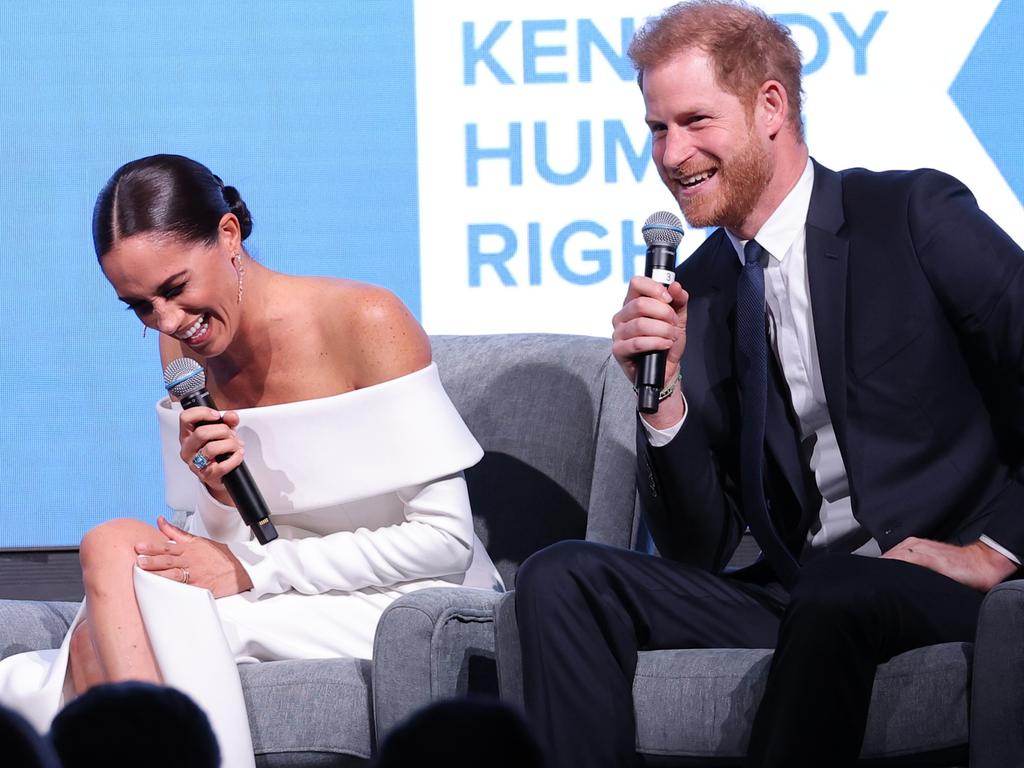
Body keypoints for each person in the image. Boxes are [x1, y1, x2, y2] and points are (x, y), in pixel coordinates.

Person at [514, 2, 1024, 766]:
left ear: (771, 106)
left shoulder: (909, 216)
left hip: (935, 574)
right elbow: (702, 548)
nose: (672, 153)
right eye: (657, 128)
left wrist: (996, 550)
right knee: (561, 576)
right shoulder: (701, 289)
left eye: (694, 121)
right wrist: (663, 402)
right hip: (798, 591)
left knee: (835, 590)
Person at [0, 153, 503, 768]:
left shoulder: (365, 321)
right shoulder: (183, 350)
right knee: (109, 547)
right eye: (140, 306)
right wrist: (215, 494)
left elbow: (445, 543)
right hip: (271, 586)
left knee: (140, 632)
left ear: (229, 235)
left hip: (404, 596)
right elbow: (228, 543)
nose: (168, 322)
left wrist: (254, 572)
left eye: (175, 289)